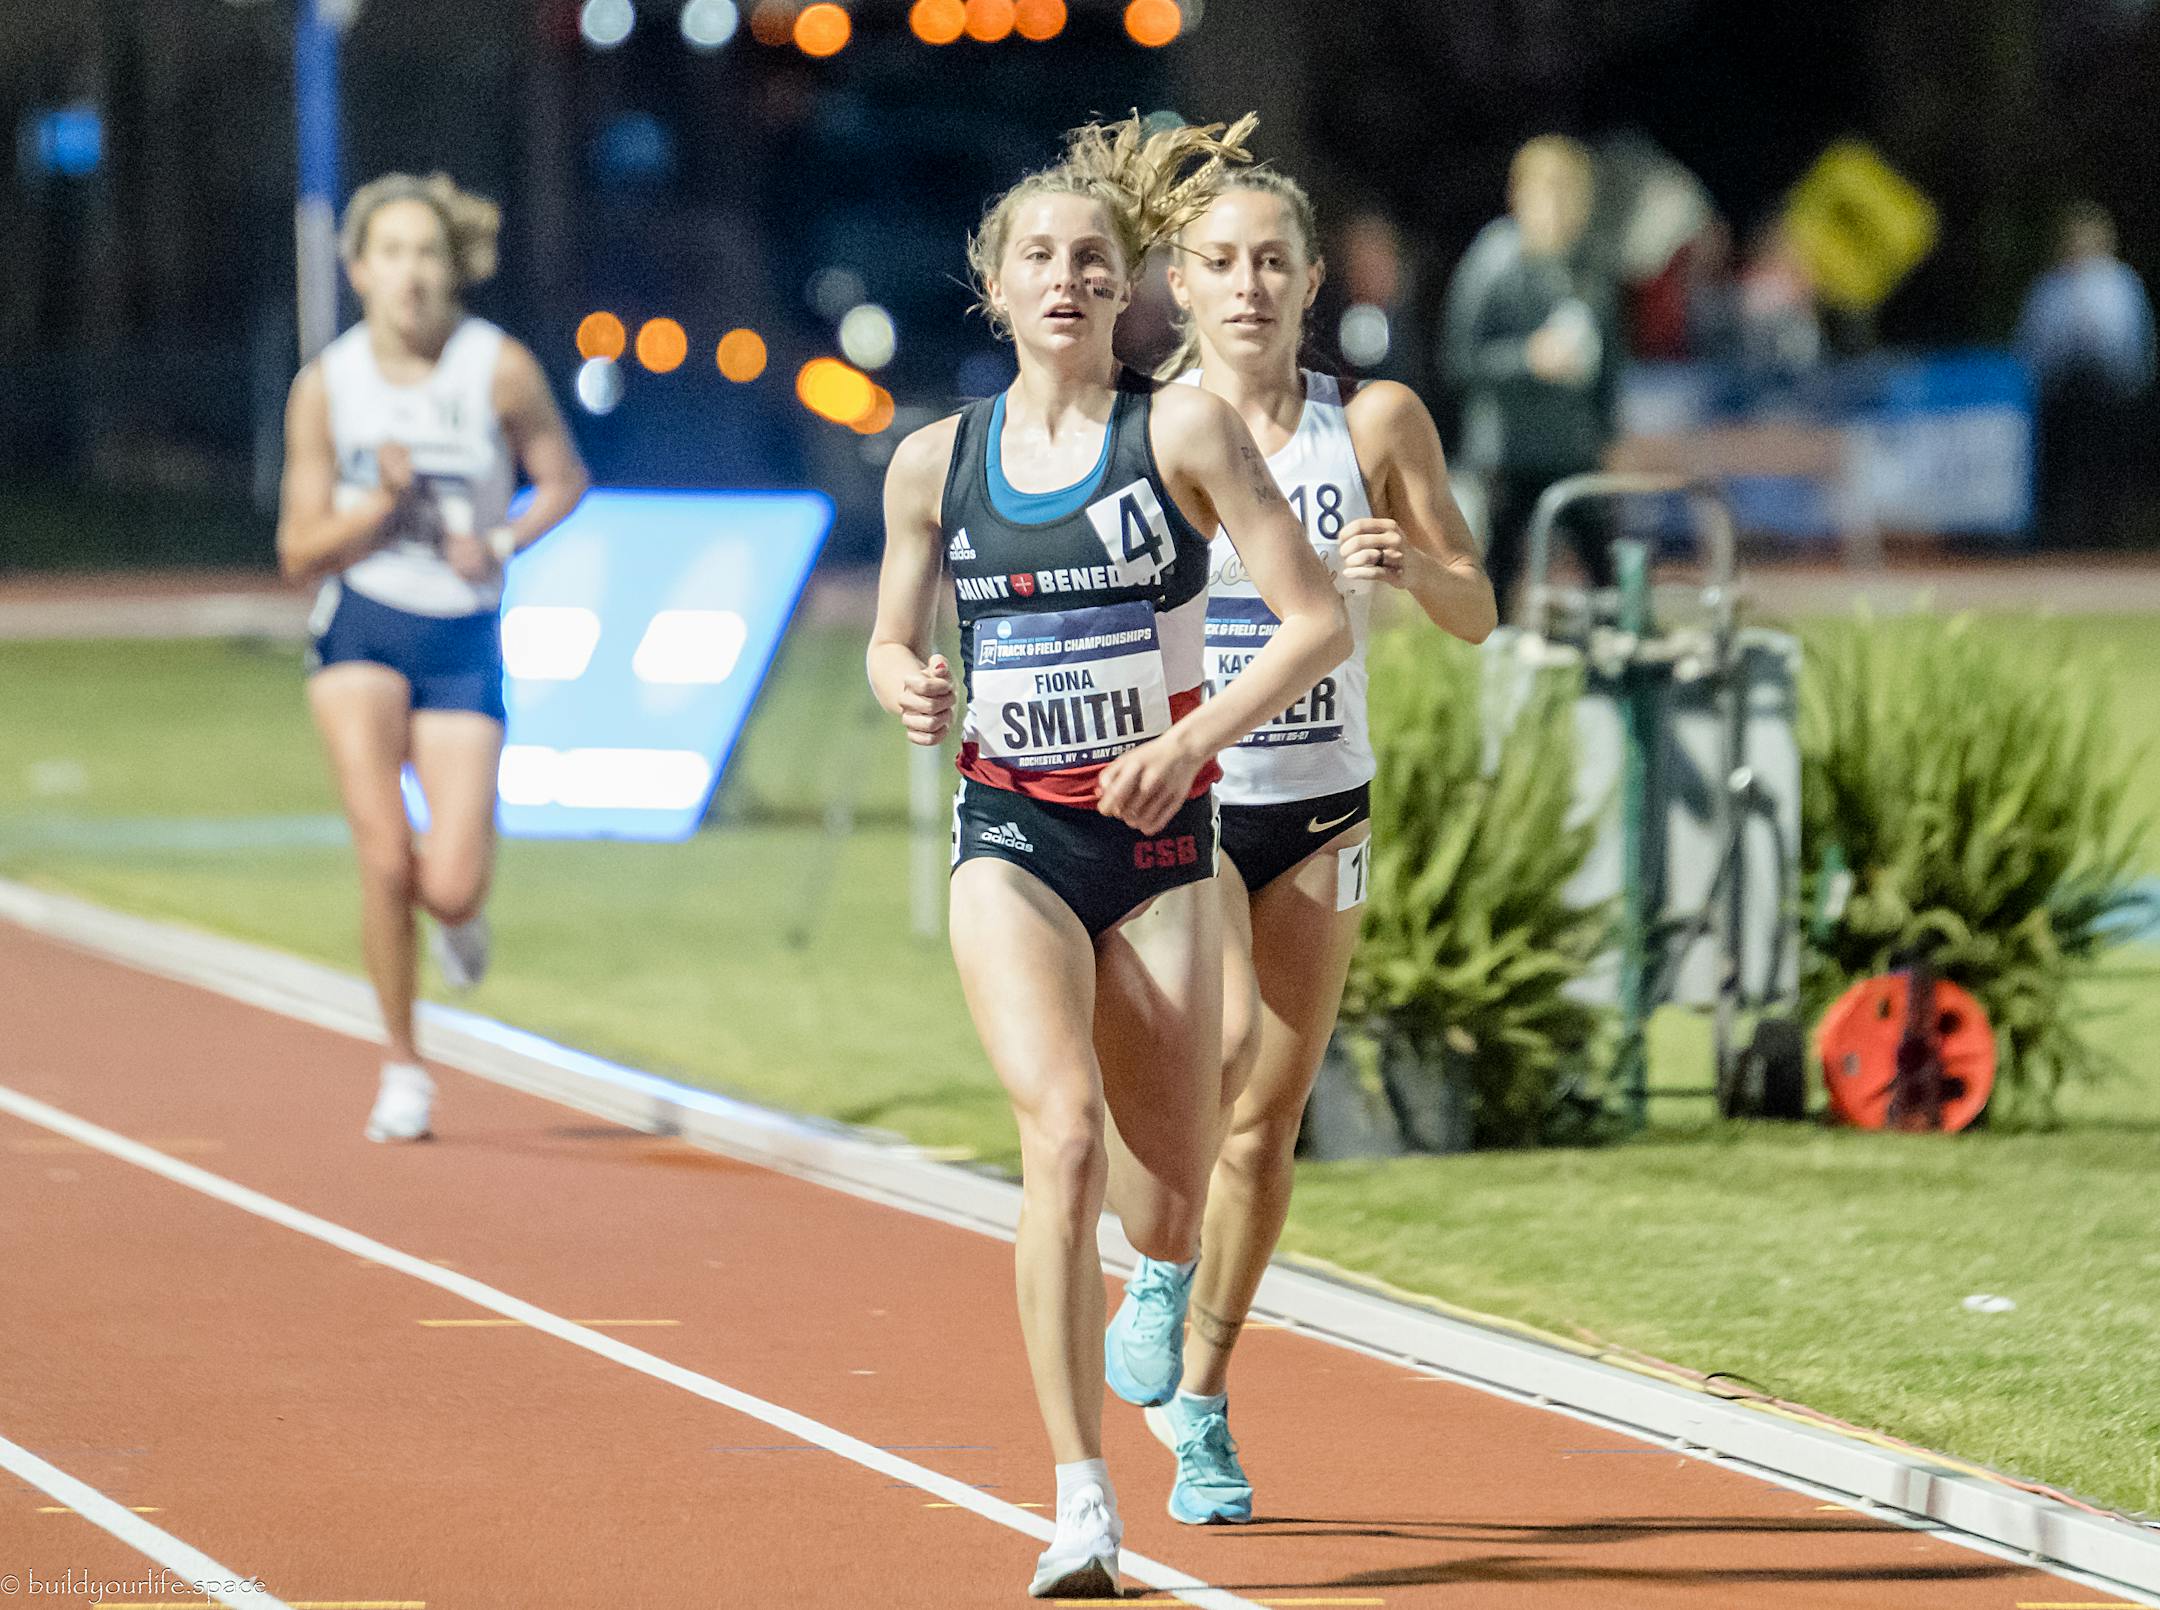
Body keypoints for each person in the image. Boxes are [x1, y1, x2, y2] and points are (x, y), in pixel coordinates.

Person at [866, 115, 1350, 1599]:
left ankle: (1163, 1274)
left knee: (1168, 1194)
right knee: (1060, 1136)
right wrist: (905, 681)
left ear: (1128, 285)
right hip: (1013, 833)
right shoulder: (935, 464)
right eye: (1040, 256)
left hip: (1159, 848)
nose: (1067, 278)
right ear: (995, 286)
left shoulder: (1181, 434)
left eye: (1092, 257)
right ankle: (1081, 1499)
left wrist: (1191, 737)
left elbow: (1317, 619)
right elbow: (892, 637)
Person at [1100, 168, 1495, 1525]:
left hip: (1325, 803)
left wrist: (1412, 569)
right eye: (1222, 262)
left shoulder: (1372, 420)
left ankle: (1201, 1403)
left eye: (1274, 260)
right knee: (1210, 1050)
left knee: (1267, 1125)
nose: (1251, 285)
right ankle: (1155, 1271)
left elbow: (1479, 606)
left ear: (1314, 280)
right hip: (1194, 798)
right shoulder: (1149, 430)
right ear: (1182, 286)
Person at [275, 173, 588, 1142]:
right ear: (359, 270)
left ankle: (458, 919)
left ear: (454, 268)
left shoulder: (497, 369)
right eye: (392, 253)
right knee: (382, 855)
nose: (410, 274)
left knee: (448, 882)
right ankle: (403, 1064)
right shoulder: (328, 386)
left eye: (427, 253)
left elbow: (564, 480)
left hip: (460, 633)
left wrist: (497, 542)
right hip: (361, 626)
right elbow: (296, 551)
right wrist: (379, 507)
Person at [1442, 135, 1623, 620]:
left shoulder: (1591, 264)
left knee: (1604, 568)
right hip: (1508, 454)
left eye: (1573, 195)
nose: (1561, 209)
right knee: (1498, 571)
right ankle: (1490, 654)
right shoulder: (1493, 262)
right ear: (1520, 196)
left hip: (1574, 449)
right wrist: (1528, 359)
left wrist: (1608, 431)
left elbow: (1611, 360)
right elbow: (1459, 358)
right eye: (1549, 193)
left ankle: (1616, 655)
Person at [2016, 201, 2155, 549]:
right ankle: (2062, 537)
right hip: (2062, 390)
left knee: (2108, 469)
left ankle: (2109, 536)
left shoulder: (2121, 282)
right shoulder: (2049, 287)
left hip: (2109, 391)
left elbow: (2135, 338)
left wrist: (2132, 384)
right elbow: (2034, 344)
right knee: (2062, 468)